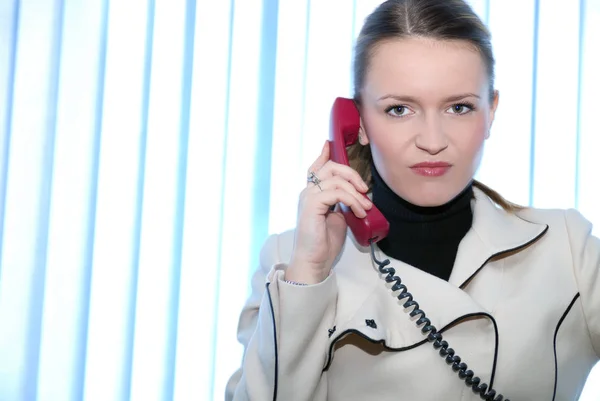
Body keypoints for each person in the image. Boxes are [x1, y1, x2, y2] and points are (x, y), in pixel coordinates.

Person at [225, 0, 600, 400]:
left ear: (491, 111)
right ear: (359, 123)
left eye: (459, 107)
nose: (433, 141)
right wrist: (310, 274)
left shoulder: (567, 249)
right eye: (399, 109)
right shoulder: (291, 261)